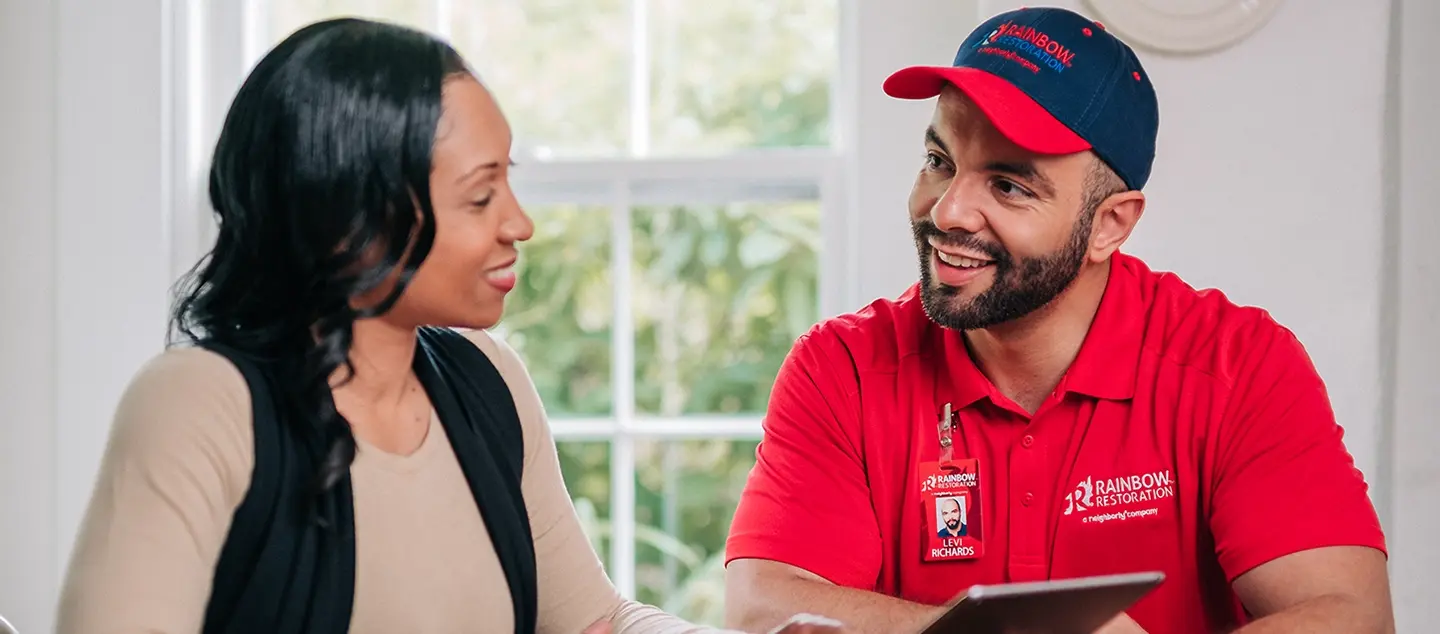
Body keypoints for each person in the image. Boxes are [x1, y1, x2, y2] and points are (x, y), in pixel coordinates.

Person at [55, 18, 845, 634]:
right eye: (479, 196)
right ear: (353, 220)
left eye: (511, 184)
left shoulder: (486, 381)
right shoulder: (200, 403)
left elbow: (589, 619)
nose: (520, 224)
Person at [722, 6, 1393, 634]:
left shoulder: (1238, 364)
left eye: (1008, 185)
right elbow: (763, 604)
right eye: (939, 162)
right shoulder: (843, 365)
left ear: (1110, 223)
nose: (949, 211)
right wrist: (974, 630)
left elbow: (1350, 616)